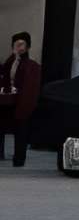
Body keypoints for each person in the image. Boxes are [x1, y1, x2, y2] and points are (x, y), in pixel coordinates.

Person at [1, 32, 37, 167]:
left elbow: (30, 86)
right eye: (16, 44)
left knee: (21, 131)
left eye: (22, 44)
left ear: (27, 47)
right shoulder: (9, 62)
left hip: (21, 102)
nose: (19, 47)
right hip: (6, 100)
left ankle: (19, 159)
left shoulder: (31, 65)